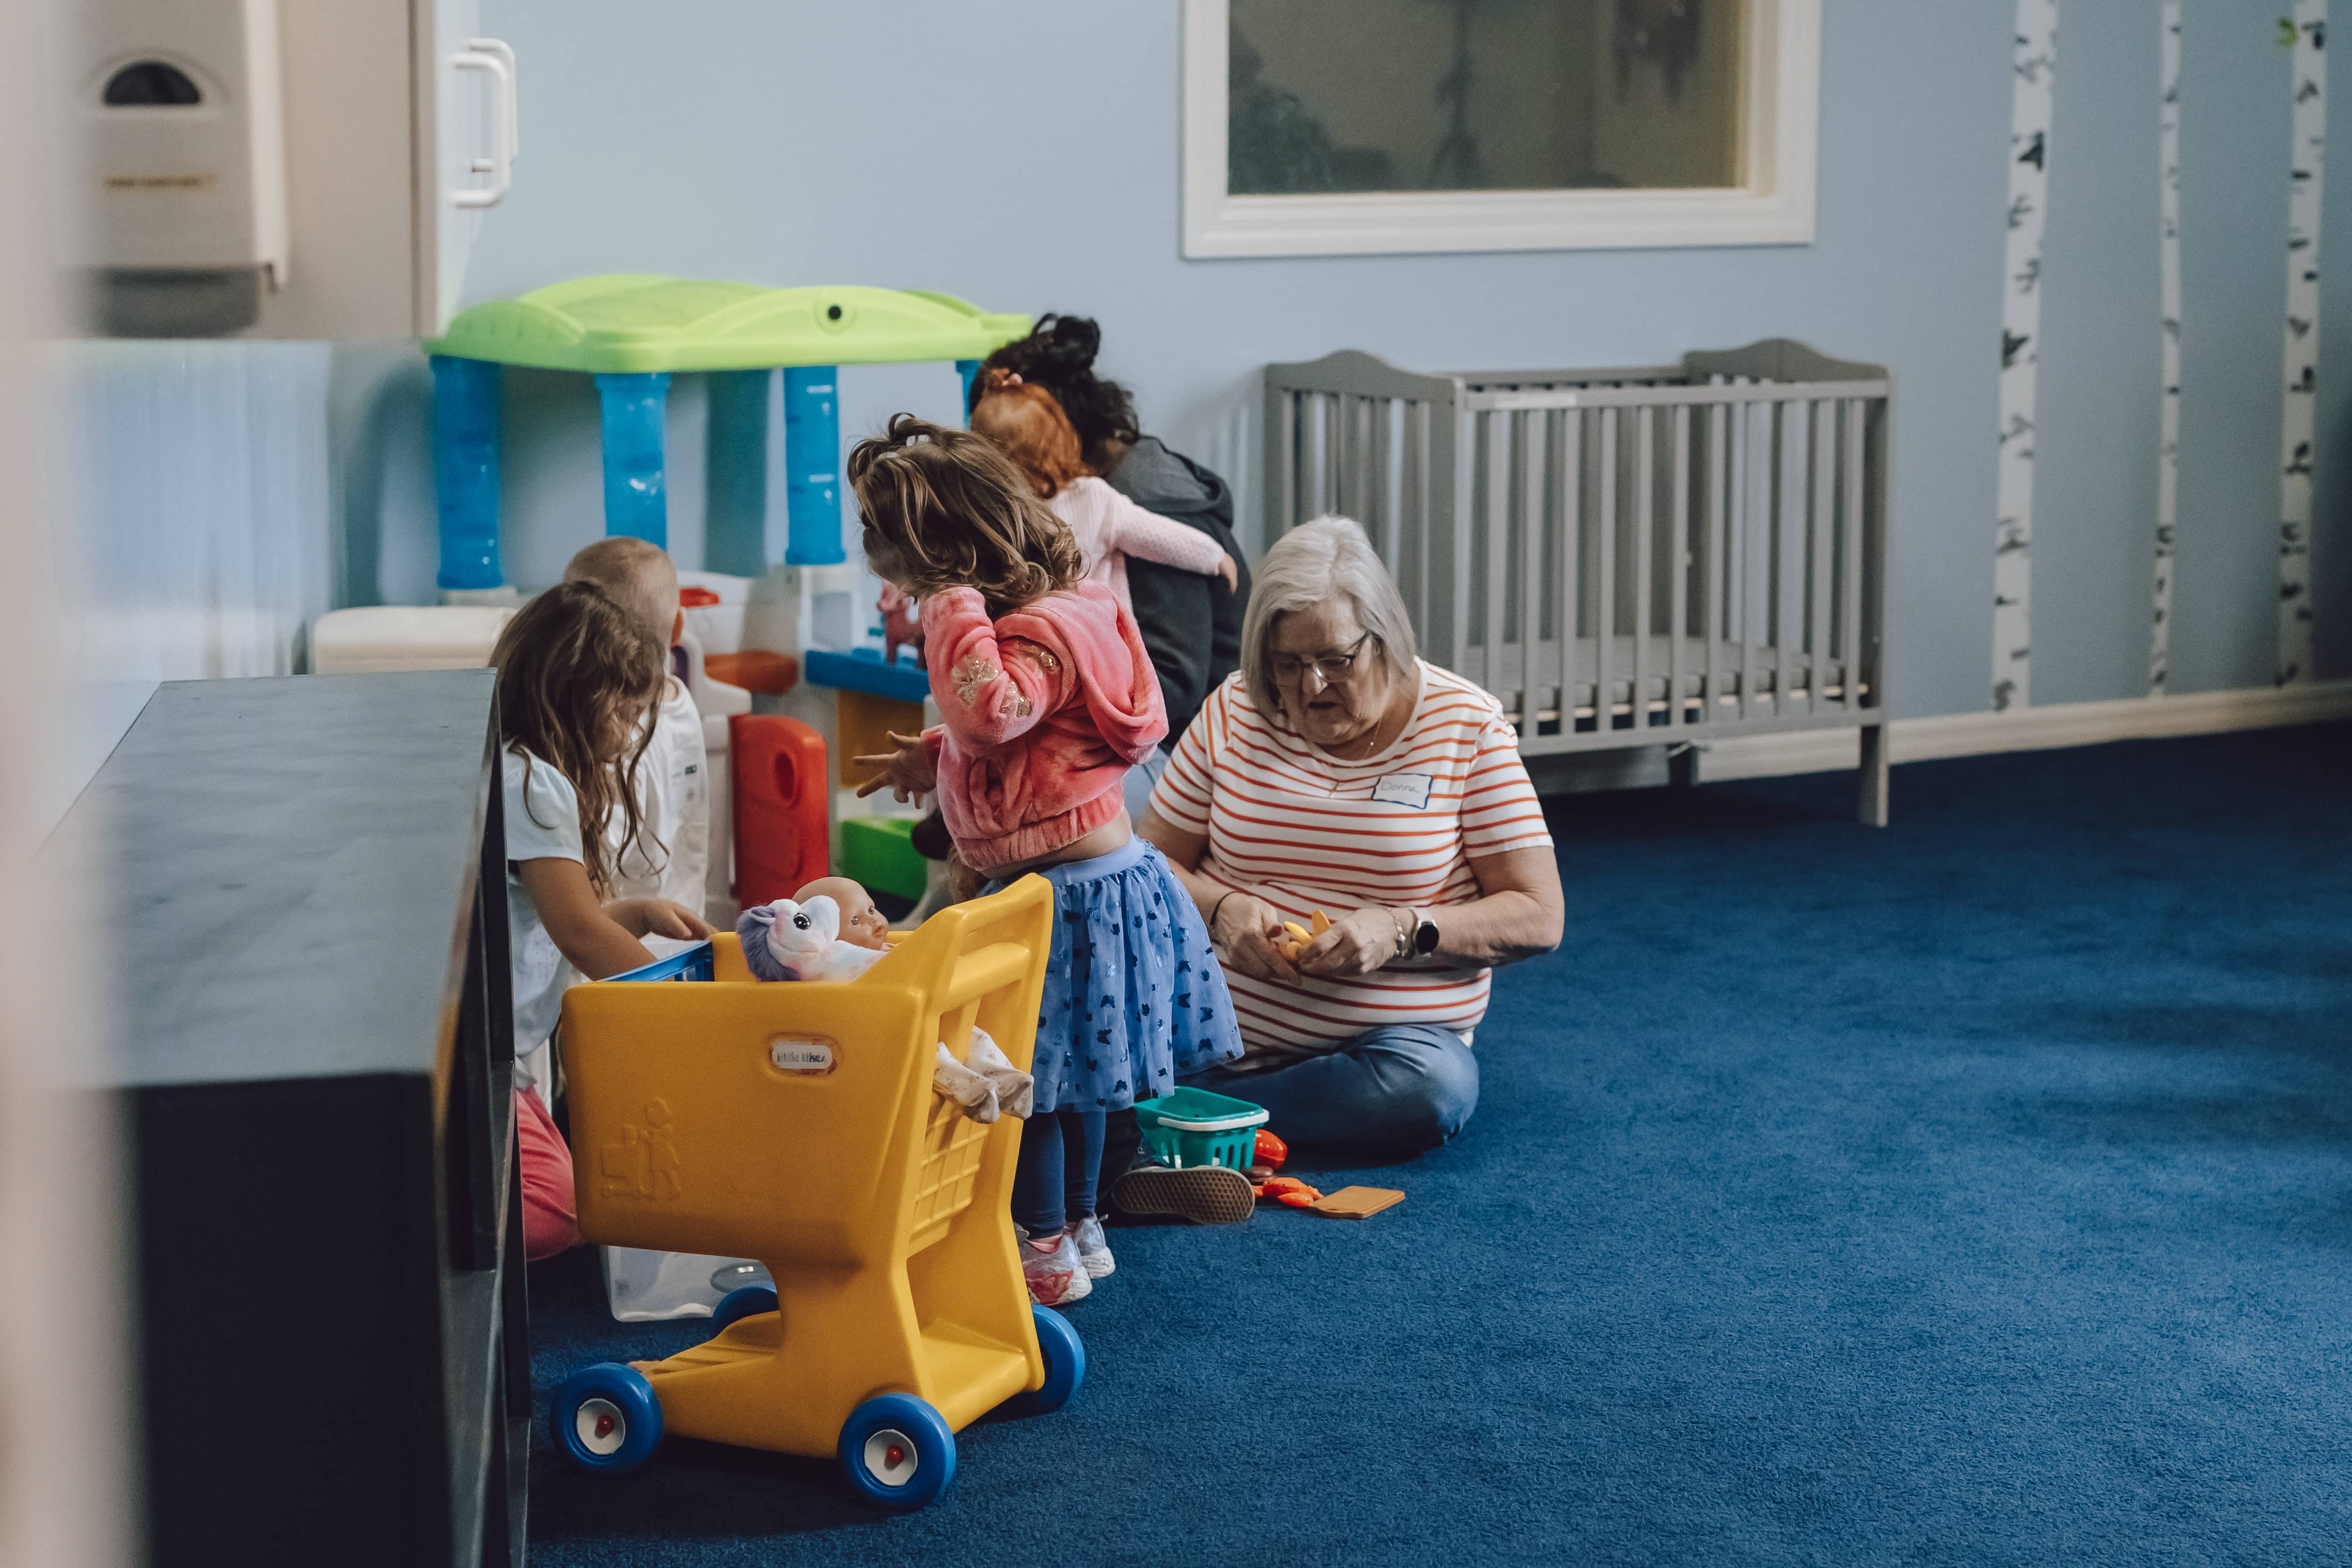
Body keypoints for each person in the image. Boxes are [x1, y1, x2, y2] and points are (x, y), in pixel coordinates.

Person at [846, 415, 1243, 1305]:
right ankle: (1082, 1227)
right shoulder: (1080, 609)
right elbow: (1027, 740)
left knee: (1038, 1085)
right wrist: (937, 756)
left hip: (1060, 901)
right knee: (1084, 1083)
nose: (894, 580)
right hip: (1101, 882)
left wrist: (948, 604)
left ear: (939, 553)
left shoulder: (1021, 633)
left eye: (897, 561)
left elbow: (994, 712)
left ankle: (1044, 1248)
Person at [1133, 515, 1564, 1177]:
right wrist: (1219, 910)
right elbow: (1148, 862)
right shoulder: (1236, 707)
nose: (1309, 687)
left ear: (1383, 638)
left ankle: (1171, 1121)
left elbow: (1537, 915)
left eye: (1335, 660)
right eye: (1286, 664)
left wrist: (1399, 930)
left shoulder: (1464, 725)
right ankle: (1187, 1123)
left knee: (1432, 1089)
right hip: (1220, 1016)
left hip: (1386, 1046)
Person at [492, 582, 716, 1259]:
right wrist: (690, 1005)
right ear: (575, 698)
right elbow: (579, 933)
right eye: (619, 712)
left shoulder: (517, 770)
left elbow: (548, 917)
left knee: (581, 1195)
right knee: (559, 1215)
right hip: (485, 1065)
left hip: (501, 1062)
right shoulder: (532, 782)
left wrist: (638, 912)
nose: (621, 738)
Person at [974, 315, 1249, 821]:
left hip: (1180, 747)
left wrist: (1055, 711)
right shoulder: (1061, 498)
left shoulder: (1137, 504)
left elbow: (1174, 683)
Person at [969, 368, 1238, 610]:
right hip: (1100, 641)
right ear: (1060, 440)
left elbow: (961, 579)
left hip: (1025, 645)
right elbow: (1155, 534)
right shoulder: (1091, 497)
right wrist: (1213, 556)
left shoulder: (985, 513)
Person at [562, 537, 709, 924]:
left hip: (616, 930)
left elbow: (595, 857)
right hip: (684, 919)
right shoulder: (681, 701)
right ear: (678, 627)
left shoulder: (606, 728)